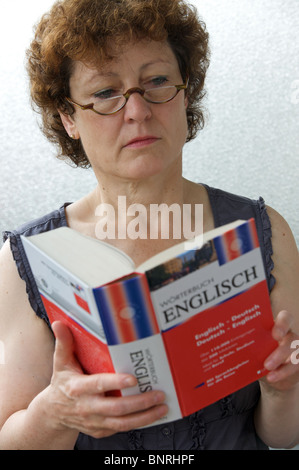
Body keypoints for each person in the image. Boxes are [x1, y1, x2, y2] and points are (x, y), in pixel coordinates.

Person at [0, 0, 298, 450]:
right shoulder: (25, 261)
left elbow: (283, 436)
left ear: (185, 92)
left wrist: (283, 389)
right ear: (68, 117)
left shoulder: (263, 230)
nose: (137, 110)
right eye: (105, 93)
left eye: (156, 81)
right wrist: (54, 412)